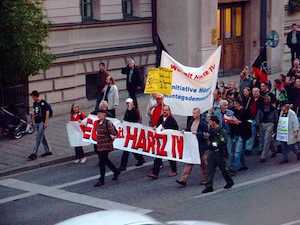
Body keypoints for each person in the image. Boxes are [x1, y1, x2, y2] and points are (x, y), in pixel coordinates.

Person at [176, 108, 209, 186]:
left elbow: (206, 134)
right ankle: (183, 180)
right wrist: (184, 131)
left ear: (199, 114)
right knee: (189, 162)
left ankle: (206, 178)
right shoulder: (191, 121)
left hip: (201, 146)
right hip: (193, 146)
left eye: (195, 113)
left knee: (203, 163)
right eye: (193, 113)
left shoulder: (203, 123)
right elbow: (188, 130)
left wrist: (197, 133)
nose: (193, 114)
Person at [202, 115, 234, 194]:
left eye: (210, 121)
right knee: (209, 170)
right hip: (212, 152)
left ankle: (229, 181)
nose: (209, 123)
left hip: (219, 152)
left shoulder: (220, 130)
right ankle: (209, 186)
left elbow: (223, 141)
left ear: (214, 122)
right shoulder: (210, 129)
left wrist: (213, 144)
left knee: (223, 169)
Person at [148, 105, 179, 179]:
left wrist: (166, 130)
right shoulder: (161, 117)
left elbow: (176, 129)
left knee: (170, 156)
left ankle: (174, 171)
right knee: (158, 156)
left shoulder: (172, 119)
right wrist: (156, 127)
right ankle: (155, 173)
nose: (165, 111)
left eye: (166, 110)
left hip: (169, 140)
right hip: (161, 141)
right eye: (164, 110)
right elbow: (158, 126)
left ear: (169, 111)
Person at [94, 110, 120, 187]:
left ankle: (101, 179)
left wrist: (112, 136)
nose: (98, 115)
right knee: (105, 160)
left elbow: (114, 133)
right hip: (100, 145)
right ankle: (116, 171)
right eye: (98, 114)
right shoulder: (98, 123)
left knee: (102, 162)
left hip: (106, 145)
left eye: (100, 114)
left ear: (104, 115)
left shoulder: (108, 123)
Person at [119, 98, 145, 170]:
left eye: (129, 103)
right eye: (127, 103)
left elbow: (135, 119)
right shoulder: (127, 110)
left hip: (134, 132)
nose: (128, 104)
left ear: (132, 103)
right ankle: (140, 159)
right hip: (129, 132)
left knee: (128, 148)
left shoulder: (135, 111)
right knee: (129, 148)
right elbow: (126, 119)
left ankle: (123, 166)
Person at [28, 90, 52, 160]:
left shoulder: (43, 103)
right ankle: (48, 151)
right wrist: (32, 121)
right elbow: (34, 112)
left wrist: (46, 122)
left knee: (38, 137)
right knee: (42, 136)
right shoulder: (34, 103)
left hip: (42, 122)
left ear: (35, 96)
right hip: (37, 122)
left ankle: (34, 153)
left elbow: (47, 112)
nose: (32, 98)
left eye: (33, 97)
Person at [256, 95, 278, 163]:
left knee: (266, 139)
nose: (266, 101)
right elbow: (258, 117)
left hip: (270, 124)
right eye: (265, 99)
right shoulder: (261, 108)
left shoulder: (273, 108)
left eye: (268, 99)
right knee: (267, 139)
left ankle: (263, 156)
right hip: (262, 124)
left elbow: (276, 118)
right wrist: (258, 125)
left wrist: (275, 127)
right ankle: (274, 150)